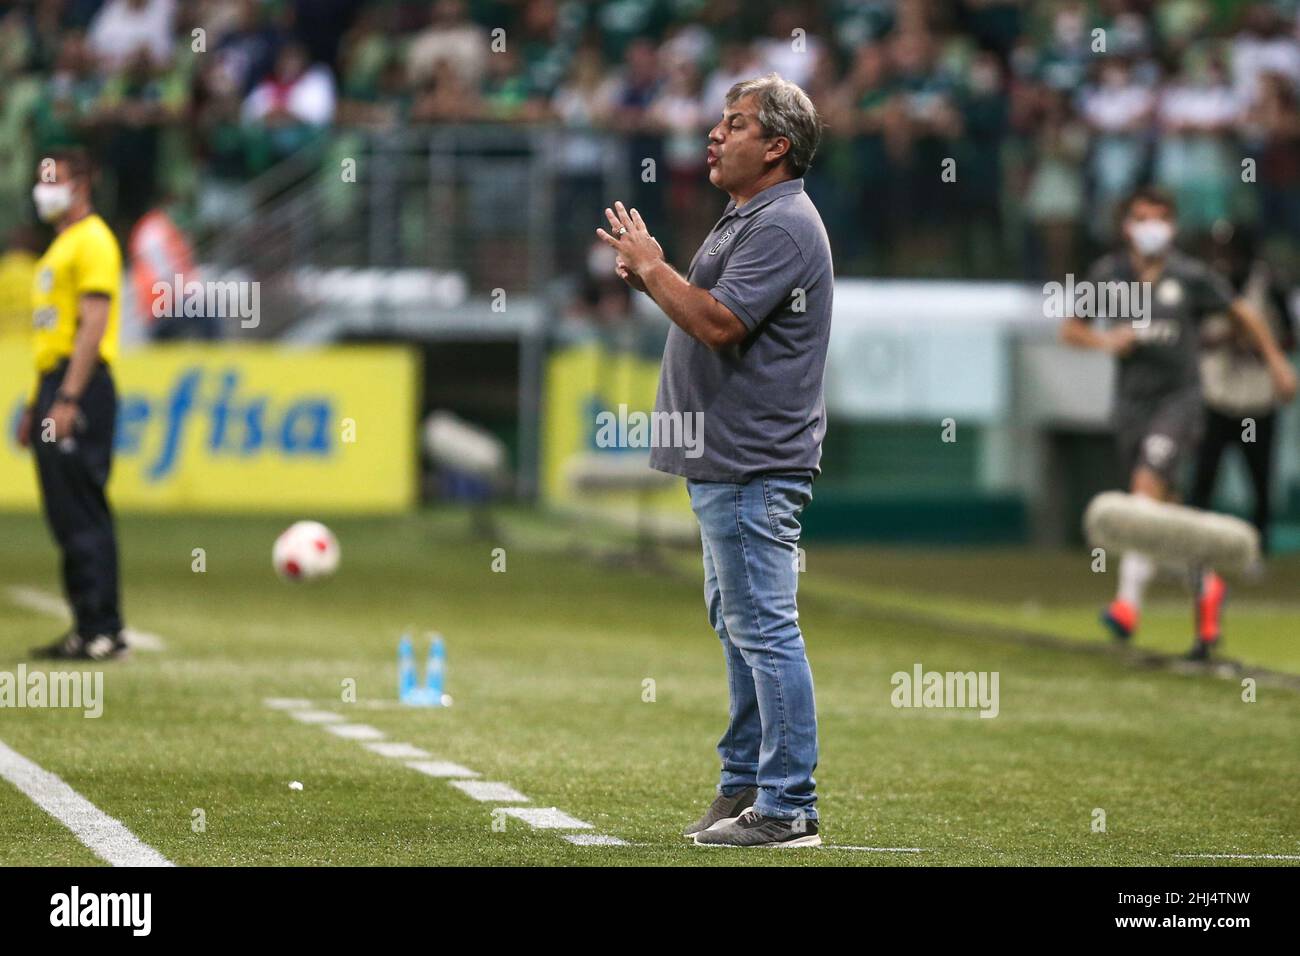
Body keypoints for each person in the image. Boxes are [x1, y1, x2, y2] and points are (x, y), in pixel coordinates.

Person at [597, 73, 831, 846]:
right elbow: (705, 314)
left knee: (763, 626)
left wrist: (656, 267)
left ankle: (789, 803)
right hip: (727, 458)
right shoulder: (747, 216)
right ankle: (742, 787)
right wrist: (650, 277)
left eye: (734, 124)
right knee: (740, 627)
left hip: (752, 459)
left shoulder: (783, 224)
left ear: (777, 146)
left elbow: (723, 325)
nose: (714, 135)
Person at [1060, 186, 1296, 660]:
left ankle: (1127, 605)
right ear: (1127, 225)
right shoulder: (1109, 276)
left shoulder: (1190, 277)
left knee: (1144, 489)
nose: (1151, 227)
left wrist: (1276, 362)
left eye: (1160, 218)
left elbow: (1242, 311)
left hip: (1180, 402)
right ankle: (1207, 588)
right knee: (1161, 515)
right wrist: (1108, 342)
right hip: (1131, 406)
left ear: (1171, 225)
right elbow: (1071, 327)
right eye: (1142, 218)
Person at [17, 149, 130, 661]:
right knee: (64, 508)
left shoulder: (94, 241)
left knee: (82, 505)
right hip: (53, 385)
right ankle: (87, 626)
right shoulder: (61, 246)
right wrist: (34, 402)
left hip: (77, 387)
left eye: (53, 179)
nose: (44, 189)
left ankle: (104, 627)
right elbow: (54, 333)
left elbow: (93, 325)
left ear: (82, 184)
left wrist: (67, 397)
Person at [1190, 230, 1297, 555]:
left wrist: (1258, 348)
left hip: (1257, 401)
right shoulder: (1203, 284)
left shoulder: (1269, 286)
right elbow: (1187, 333)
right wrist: (1223, 339)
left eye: (1230, 251)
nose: (1224, 258)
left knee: (1259, 482)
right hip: (1216, 397)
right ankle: (1194, 550)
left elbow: (1290, 337)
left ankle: (1257, 551)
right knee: (1203, 480)